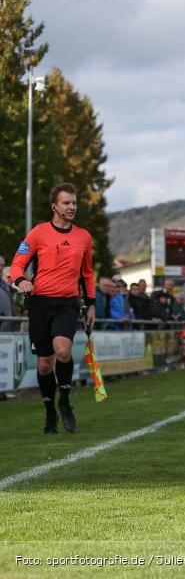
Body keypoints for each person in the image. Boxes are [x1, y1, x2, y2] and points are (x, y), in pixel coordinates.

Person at [9, 183, 96, 434]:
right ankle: (50, 413)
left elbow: (88, 274)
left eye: (74, 203)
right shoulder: (38, 233)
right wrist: (21, 280)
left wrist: (91, 304)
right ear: (54, 206)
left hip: (68, 303)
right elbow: (17, 264)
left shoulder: (84, 237)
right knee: (45, 365)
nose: (72, 207)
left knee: (63, 351)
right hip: (40, 304)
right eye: (66, 203)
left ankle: (65, 402)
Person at [0, 255, 16, 332]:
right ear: (3, 276)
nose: (11, 279)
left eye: (2, 265)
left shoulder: (9, 289)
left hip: (8, 329)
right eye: (8, 277)